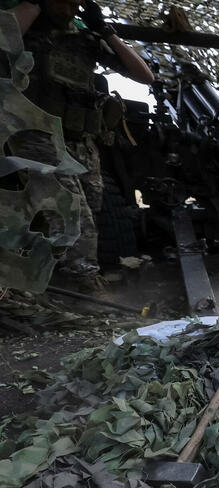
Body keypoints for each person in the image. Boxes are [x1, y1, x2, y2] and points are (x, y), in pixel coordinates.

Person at [8, 0, 154, 279]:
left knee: (88, 213)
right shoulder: (27, 30)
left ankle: (57, 275)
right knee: (72, 215)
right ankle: (83, 286)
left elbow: (144, 76)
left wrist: (105, 30)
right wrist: (33, 7)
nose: (70, 7)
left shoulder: (86, 40)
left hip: (80, 142)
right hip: (37, 135)